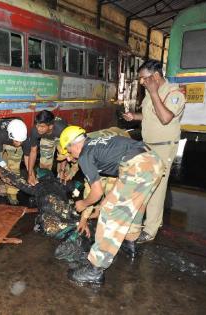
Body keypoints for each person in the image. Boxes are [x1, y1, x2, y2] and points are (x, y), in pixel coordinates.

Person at [59, 126, 164, 284]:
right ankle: (130, 243)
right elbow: (119, 170)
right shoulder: (96, 143)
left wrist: (83, 203)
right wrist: (108, 198)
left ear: (74, 144)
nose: (68, 157)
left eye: (67, 151)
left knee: (110, 214)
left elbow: (96, 192)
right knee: (134, 207)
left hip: (137, 166)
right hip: (152, 161)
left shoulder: (85, 154)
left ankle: (94, 269)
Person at [123, 59, 186, 243]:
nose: (142, 82)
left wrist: (153, 93)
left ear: (156, 76)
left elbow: (165, 117)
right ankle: (146, 222)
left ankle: (150, 230)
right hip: (148, 144)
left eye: (144, 78)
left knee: (157, 188)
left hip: (164, 146)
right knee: (144, 185)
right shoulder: (151, 93)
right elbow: (152, 114)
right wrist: (135, 116)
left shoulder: (175, 93)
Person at [27, 110, 68, 186]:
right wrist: (30, 174)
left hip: (61, 137)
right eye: (37, 125)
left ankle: (60, 180)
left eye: (42, 126)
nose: (38, 128)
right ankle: (45, 182)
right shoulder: (35, 131)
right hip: (47, 137)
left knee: (63, 163)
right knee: (44, 163)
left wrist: (62, 170)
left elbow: (65, 152)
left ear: (50, 126)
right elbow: (33, 151)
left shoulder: (61, 129)